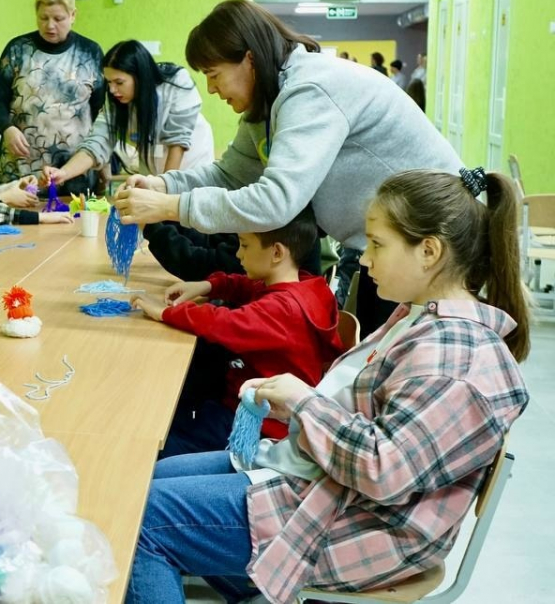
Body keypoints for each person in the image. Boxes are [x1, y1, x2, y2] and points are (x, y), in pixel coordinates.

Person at [126, 167, 530, 604]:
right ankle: (241, 581)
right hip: (331, 484)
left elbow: (384, 471)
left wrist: (304, 404)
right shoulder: (420, 317)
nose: (366, 259)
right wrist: (300, 406)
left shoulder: (454, 358)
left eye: (378, 244)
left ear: (429, 251)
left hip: (361, 524)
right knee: (138, 487)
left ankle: (233, 572)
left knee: (138, 521)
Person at [114, 0, 462, 333]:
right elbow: (229, 174)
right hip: (392, 245)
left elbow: (276, 202)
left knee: (397, 365)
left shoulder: (308, 89)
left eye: (213, 74)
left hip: (431, 244)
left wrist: (168, 208)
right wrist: (164, 186)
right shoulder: (267, 101)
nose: (212, 88)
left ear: (249, 59)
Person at [132, 208, 342, 458]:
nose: (238, 253)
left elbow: (222, 323)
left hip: (258, 425)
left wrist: (163, 313)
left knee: (150, 442)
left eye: (244, 245)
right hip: (251, 407)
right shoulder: (306, 285)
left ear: (276, 252)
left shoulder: (281, 310)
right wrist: (208, 285)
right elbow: (246, 285)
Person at [0, 0, 105, 194]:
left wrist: (102, 158)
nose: (50, 25)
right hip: (22, 168)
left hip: (74, 169)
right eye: (44, 18)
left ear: (73, 15)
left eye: (58, 19)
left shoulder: (90, 53)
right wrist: (7, 128)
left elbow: (101, 112)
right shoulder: (18, 50)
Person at [44, 40, 215, 187]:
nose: (112, 89)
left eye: (119, 82)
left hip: (191, 170)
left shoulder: (176, 83)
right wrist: (63, 173)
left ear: (140, 76)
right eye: (109, 82)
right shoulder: (117, 103)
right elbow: (96, 144)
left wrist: (165, 191)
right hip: (156, 177)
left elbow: (177, 144)